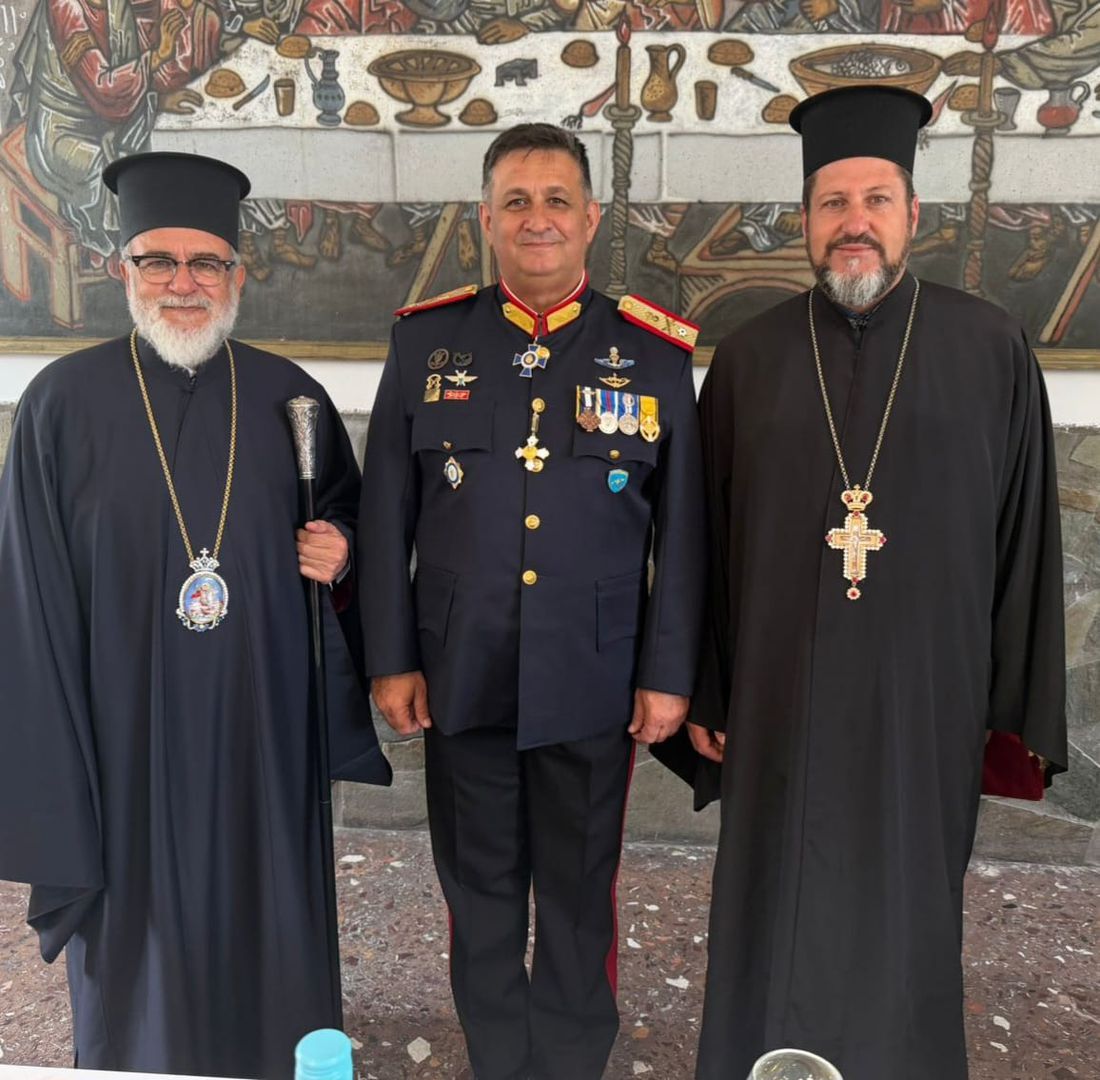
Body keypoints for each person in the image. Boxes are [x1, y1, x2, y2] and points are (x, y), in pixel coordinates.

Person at [685, 86, 1067, 1080]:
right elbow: (702, 545)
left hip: (924, 702)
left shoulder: (989, 348)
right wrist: (709, 690)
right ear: (805, 219)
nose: (853, 221)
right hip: (778, 698)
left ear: (911, 213)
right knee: (772, 900)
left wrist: (1010, 705)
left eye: (875, 199)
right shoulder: (749, 360)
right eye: (832, 202)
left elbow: (1024, 538)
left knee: (906, 909)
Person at [0, 151, 390, 1077]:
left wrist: (339, 552)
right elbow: (28, 596)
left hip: (263, 735)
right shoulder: (60, 405)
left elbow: (349, 519)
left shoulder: (290, 398)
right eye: (159, 261)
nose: (184, 282)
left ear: (237, 275)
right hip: (121, 738)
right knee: (140, 963)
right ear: (121, 269)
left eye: (207, 261)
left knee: (272, 939)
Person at [358, 123, 706, 1080]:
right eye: (516, 201)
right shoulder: (427, 342)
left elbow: (683, 533)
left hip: (593, 680)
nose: (537, 218)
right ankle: (499, 1063)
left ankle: (569, 1063)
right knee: (478, 897)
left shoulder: (654, 353)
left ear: (591, 218)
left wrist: (668, 674)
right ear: (486, 219)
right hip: (460, 675)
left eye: (557, 200)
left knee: (580, 899)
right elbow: (386, 514)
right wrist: (391, 658)